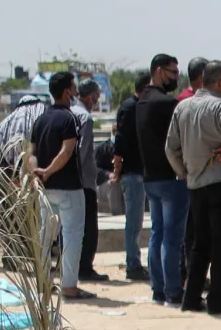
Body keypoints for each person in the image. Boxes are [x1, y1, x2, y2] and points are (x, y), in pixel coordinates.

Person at [166, 60, 221, 314]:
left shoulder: (183, 107)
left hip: (196, 184)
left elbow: (170, 148)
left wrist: (184, 172)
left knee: (199, 244)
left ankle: (191, 299)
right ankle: (217, 300)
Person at [30, 71, 94, 300]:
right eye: (74, 87)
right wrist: (48, 171)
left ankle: (44, 282)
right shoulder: (69, 119)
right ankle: (69, 285)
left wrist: (38, 173)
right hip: (68, 187)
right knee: (73, 235)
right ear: (67, 91)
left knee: (45, 235)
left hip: (46, 189)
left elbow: (32, 153)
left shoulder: (41, 119)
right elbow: (67, 151)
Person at [136, 54, 188, 306]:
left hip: (150, 177)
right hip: (170, 177)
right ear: (158, 71)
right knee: (172, 238)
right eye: (173, 72)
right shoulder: (167, 104)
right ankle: (173, 291)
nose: (176, 78)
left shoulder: (141, 101)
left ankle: (158, 289)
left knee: (157, 234)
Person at [0, 92, 48, 271]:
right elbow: (21, 147)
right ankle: (31, 257)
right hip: (20, 176)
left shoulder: (5, 122)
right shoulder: (34, 117)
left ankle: (12, 257)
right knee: (27, 218)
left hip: (4, 176)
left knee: (8, 218)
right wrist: (23, 177)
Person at [111, 74, 151, 279]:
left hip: (138, 172)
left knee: (136, 222)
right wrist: (117, 170)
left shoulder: (136, 106)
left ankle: (134, 262)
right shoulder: (131, 107)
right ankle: (132, 265)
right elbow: (120, 141)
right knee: (134, 222)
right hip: (132, 172)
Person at [71, 80, 107, 283]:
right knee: (89, 227)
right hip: (84, 180)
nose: (97, 100)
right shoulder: (85, 117)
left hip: (71, 181)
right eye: (96, 96)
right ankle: (85, 267)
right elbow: (83, 152)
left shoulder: (71, 112)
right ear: (88, 96)